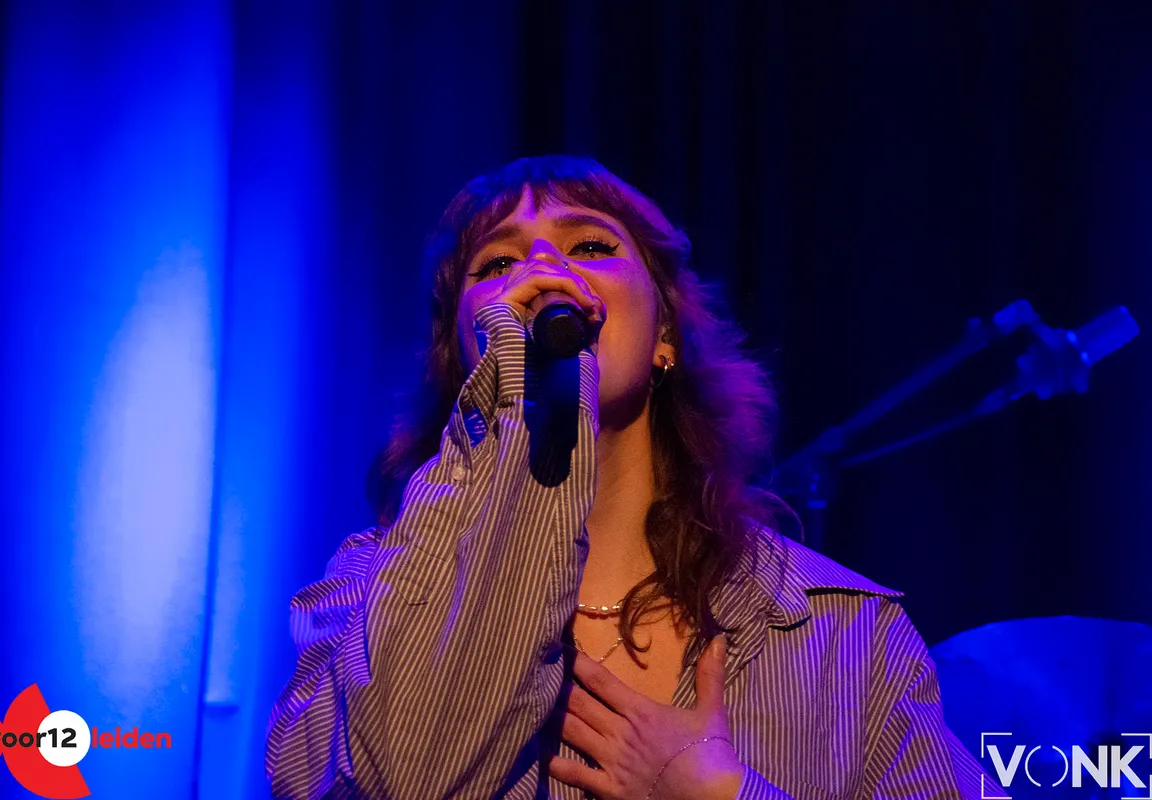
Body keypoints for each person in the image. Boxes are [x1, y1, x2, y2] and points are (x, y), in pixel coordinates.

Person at [264, 155, 1003, 799]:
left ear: (665, 336)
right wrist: (510, 404)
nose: (543, 274)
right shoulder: (367, 595)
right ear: (465, 354)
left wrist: (725, 796)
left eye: (589, 246)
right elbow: (400, 780)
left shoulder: (843, 632)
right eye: (496, 266)